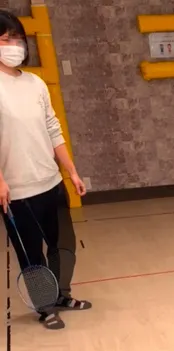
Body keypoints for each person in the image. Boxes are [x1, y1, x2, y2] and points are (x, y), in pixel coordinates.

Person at [0, 9, 90, 330]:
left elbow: (53, 129)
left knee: (62, 244)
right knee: (32, 254)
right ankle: (44, 306)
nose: (15, 45)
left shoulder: (35, 83)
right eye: (6, 39)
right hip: (18, 190)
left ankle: (62, 294)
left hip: (50, 183)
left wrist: (71, 171)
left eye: (18, 39)